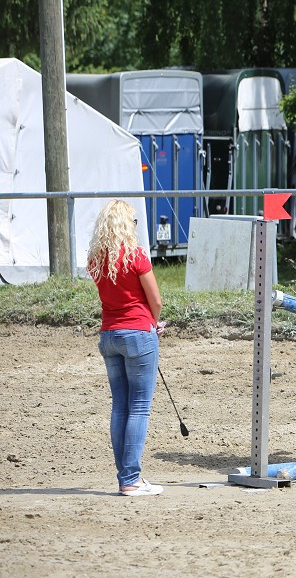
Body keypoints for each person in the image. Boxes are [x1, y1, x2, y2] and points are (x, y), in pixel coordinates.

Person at [87, 200, 166, 497]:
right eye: (133, 222)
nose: (135, 226)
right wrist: (154, 323)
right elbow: (155, 300)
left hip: (109, 334)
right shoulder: (136, 256)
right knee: (140, 406)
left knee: (120, 405)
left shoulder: (97, 259)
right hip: (138, 334)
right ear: (125, 225)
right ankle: (131, 478)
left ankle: (126, 477)